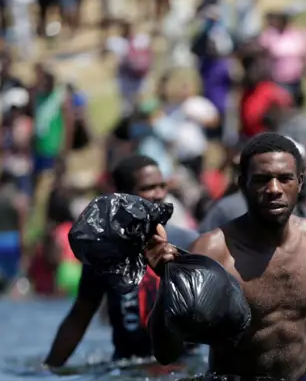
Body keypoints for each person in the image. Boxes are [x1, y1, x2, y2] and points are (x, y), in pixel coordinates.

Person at [145, 133, 306, 381]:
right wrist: (168, 283)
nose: (274, 189)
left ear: (300, 182)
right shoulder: (212, 251)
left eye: (285, 179)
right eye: (262, 180)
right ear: (243, 184)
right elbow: (166, 354)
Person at [44, 155, 198, 367]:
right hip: (127, 366)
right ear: (123, 195)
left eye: (163, 186)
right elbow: (80, 316)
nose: (160, 194)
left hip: (181, 365)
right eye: (149, 187)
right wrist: (50, 368)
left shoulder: (187, 242)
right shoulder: (106, 253)